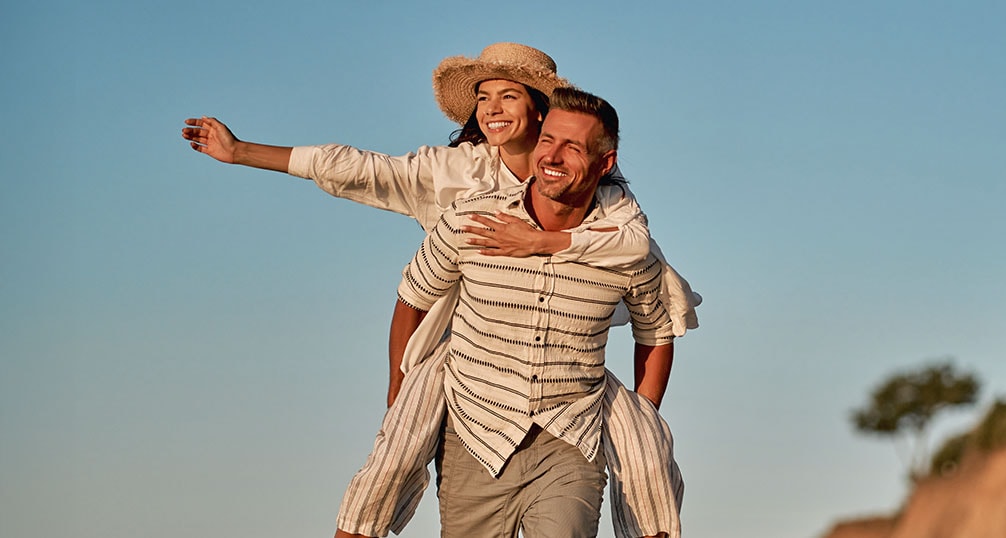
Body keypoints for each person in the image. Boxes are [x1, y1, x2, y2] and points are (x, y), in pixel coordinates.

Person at [182, 43, 696, 538]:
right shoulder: (458, 176)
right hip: (468, 361)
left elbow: (641, 264)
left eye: (509, 96)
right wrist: (242, 151)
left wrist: (545, 241)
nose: (492, 110)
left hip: (567, 398)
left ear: (542, 111)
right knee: (391, 457)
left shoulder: (611, 200)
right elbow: (362, 171)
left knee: (645, 448)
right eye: (483, 98)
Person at [396, 86, 674, 537]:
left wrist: (641, 422)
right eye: (548, 140)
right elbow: (413, 297)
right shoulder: (472, 220)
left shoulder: (627, 246)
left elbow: (657, 331)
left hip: (570, 439)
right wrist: (399, 389)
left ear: (605, 163)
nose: (554, 156)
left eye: (573, 147)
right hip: (475, 432)